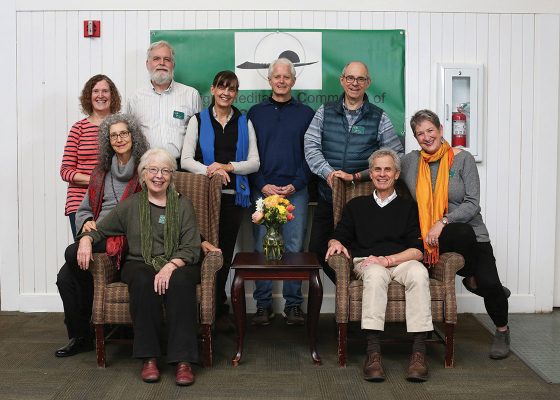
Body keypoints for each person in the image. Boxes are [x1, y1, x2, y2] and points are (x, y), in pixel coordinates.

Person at [76, 148, 201, 386]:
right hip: (139, 263)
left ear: (171, 176)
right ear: (143, 175)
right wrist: (85, 239)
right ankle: (149, 358)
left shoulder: (183, 204)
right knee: (143, 280)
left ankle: (183, 361)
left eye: (165, 170)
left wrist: (169, 266)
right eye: (153, 169)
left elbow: (191, 247)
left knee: (182, 281)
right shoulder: (131, 205)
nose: (159, 176)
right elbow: (101, 230)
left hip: (179, 262)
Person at [400, 109, 510, 360]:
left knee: (490, 284)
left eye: (430, 130)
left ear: (440, 130)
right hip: (432, 238)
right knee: (472, 266)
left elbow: (472, 203)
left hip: (470, 233)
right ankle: (472, 279)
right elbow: (381, 167)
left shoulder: (462, 159)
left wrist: (443, 221)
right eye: (420, 133)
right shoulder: (410, 162)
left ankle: (502, 330)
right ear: (416, 138)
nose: (426, 137)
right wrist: (351, 176)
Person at [326, 148, 432, 382]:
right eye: (377, 169)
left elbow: (418, 251)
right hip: (368, 262)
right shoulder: (356, 205)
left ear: (396, 174)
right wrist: (335, 242)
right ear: (371, 174)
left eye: (387, 169)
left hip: (400, 261)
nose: (382, 174)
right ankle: (373, 353)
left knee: (419, 272)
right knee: (374, 274)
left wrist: (389, 260)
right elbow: (339, 234)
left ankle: (418, 353)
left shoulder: (408, 207)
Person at [55, 114, 149, 358]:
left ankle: (97, 327)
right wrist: (87, 222)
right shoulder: (100, 172)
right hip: (99, 234)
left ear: (134, 136)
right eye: (113, 135)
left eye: (124, 134)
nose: (119, 139)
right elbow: (84, 208)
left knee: (70, 253)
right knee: (65, 277)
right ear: (108, 141)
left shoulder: (146, 170)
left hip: (127, 236)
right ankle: (81, 337)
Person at [304, 61, 404, 282]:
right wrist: (329, 173)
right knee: (318, 251)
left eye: (360, 79)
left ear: (367, 83)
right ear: (342, 80)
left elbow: (395, 155)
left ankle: (366, 292)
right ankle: (349, 290)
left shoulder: (379, 116)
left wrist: (358, 176)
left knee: (359, 251)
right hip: (327, 196)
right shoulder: (325, 112)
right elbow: (310, 145)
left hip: (361, 202)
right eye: (350, 78)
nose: (354, 83)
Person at [181, 70, 259, 332]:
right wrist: (212, 171)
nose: (226, 92)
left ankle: (219, 306)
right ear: (213, 90)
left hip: (233, 199)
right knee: (201, 250)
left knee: (223, 254)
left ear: (236, 93)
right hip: (202, 197)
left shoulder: (244, 122)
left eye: (232, 88)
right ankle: (203, 306)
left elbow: (254, 162)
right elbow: (186, 160)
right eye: (222, 87)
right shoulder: (198, 120)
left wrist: (229, 167)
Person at [248, 58, 315, 326]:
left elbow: (312, 155)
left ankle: (294, 305)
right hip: (263, 190)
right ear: (269, 80)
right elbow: (248, 155)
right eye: (276, 76)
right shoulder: (254, 113)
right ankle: (263, 305)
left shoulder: (307, 114)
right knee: (262, 247)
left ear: (294, 81)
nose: (281, 80)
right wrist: (262, 184)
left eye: (286, 77)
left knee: (294, 247)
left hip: (295, 191)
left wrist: (296, 184)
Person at [60, 74, 121, 237]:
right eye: (96, 91)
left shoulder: (120, 128)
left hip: (111, 200)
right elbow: (66, 171)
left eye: (105, 91)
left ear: (112, 96)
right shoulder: (78, 129)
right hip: (79, 202)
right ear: (89, 96)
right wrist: (95, 181)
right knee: (83, 252)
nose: (100, 95)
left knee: (110, 253)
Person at [127, 40, 202, 164]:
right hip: (145, 167)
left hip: (181, 167)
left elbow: (201, 134)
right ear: (147, 64)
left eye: (167, 59)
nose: (162, 63)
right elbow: (129, 135)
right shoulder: (135, 98)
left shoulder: (191, 95)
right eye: (156, 59)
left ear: (173, 64)